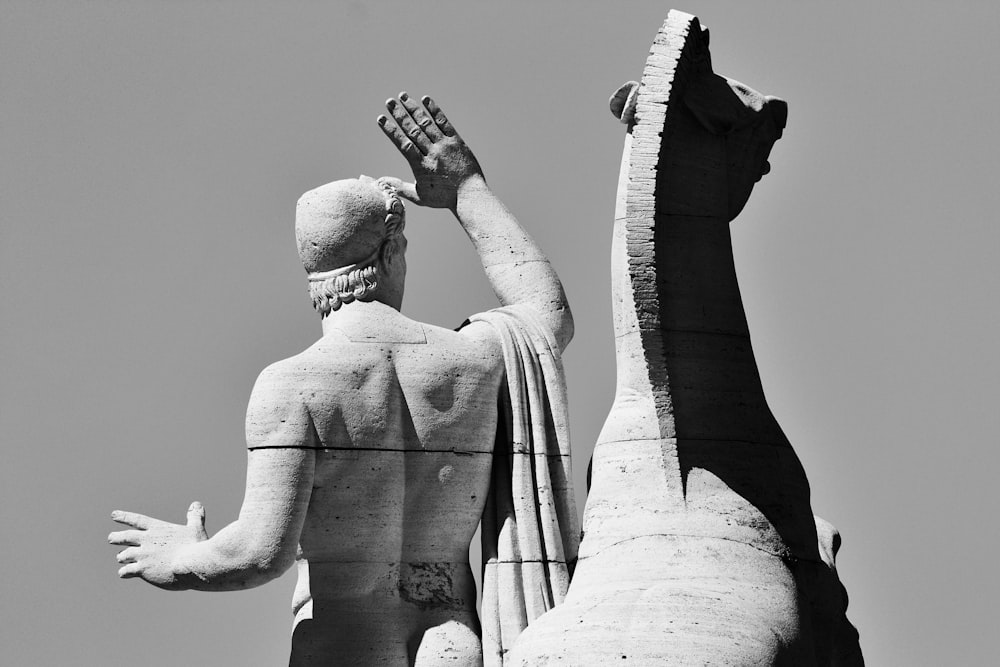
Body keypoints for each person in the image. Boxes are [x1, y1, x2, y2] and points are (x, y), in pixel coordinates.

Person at [109, 94, 578, 666]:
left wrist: (181, 559)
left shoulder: (294, 387)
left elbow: (259, 553)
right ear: (390, 253)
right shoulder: (478, 360)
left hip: (344, 645)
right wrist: (467, 192)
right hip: (452, 644)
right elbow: (545, 312)